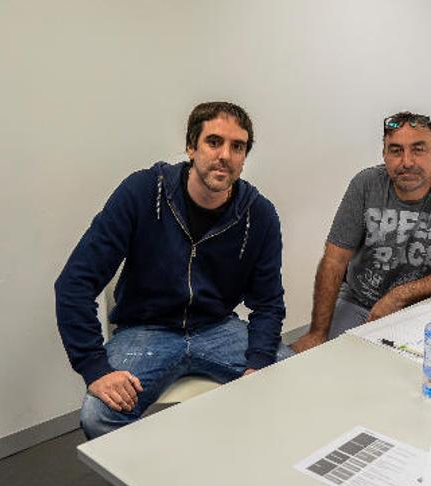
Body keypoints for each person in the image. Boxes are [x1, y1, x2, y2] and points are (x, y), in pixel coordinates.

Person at [55, 102, 285, 439]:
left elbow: (268, 303)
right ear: (191, 147)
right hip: (146, 331)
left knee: (293, 377)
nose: (225, 155)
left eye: (237, 146)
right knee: (98, 415)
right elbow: (75, 282)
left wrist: (260, 364)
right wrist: (95, 368)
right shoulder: (143, 192)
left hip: (218, 329)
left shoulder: (259, 214)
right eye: (214, 142)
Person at [288, 111, 431, 355]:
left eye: (418, 149)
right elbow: (334, 260)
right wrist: (317, 333)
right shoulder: (366, 184)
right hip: (360, 302)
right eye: (396, 150)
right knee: (336, 362)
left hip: (425, 306)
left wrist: (399, 296)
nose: (407, 162)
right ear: (384, 155)